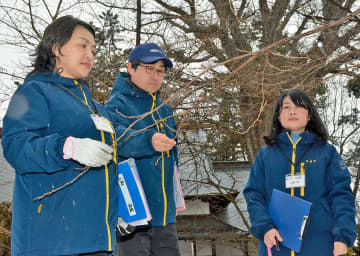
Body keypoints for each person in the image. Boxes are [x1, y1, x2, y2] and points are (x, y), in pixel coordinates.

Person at [1, 15, 118, 256]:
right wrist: (67, 148)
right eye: (82, 45)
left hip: (97, 240)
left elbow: (110, 165)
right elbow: (16, 146)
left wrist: (121, 211)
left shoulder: (97, 108)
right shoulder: (34, 92)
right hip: (52, 241)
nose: (90, 54)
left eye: (93, 49)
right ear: (56, 48)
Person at [243, 89, 356, 256]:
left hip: (320, 243)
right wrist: (265, 228)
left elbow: (342, 196)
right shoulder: (266, 155)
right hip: (276, 242)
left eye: (299, 106)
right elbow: (254, 195)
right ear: (278, 116)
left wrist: (342, 236)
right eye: (286, 107)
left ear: (309, 115)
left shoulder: (327, 153)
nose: (292, 111)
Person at [105, 42, 181, 256]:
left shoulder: (165, 110)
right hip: (132, 215)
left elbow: (173, 161)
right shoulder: (116, 105)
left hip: (165, 216)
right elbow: (114, 139)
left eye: (160, 71)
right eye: (149, 68)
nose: (156, 76)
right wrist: (148, 140)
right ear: (131, 68)